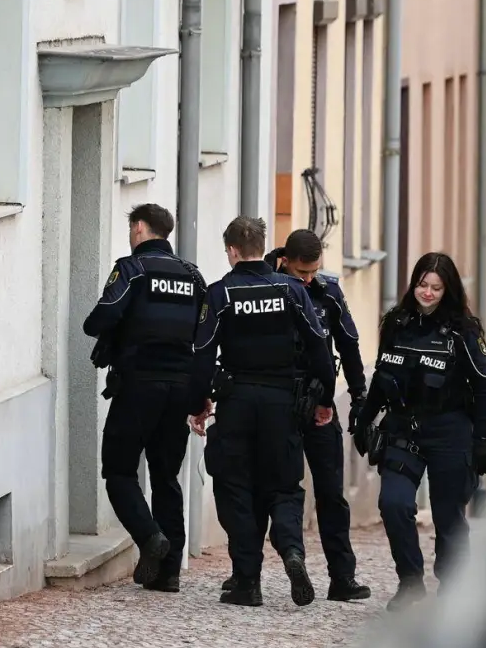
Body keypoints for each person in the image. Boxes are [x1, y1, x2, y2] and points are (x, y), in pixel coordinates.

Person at [209, 229, 370, 602]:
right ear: (284, 261)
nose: (308, 279)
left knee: (330, 492)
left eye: (314, 272)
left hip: (315, 404)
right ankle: (245, 574)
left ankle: (341, 577)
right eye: (302, 272)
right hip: (278, 400)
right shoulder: (269, 284)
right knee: (264, 487)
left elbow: (348, 344)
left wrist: (357, 396)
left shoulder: (328, 291)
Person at [189, 216, 336, 607]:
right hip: (281, 402)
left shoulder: (221, 293)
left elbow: (202, 353)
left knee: (234, 485)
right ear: (262, 246)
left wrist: (199, 402)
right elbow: (319, 346)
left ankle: (247, 581)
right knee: (284, 485)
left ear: (233, 250)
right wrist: (326, 400)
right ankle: (291, 551)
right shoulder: (290, 290)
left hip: (237, 400)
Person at [356, 251, 486, 610]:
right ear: (414, 284)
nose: (428, 293)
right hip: (403, 428)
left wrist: (481, 439)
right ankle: (410, 581)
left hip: (450, 432)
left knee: (448, 517)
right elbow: (382, 376)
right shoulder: (396, 323)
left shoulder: (463, 332)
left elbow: (483, 387)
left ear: (447, 290)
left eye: (436, 287)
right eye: (422, 284)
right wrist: (364, 418)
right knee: (393, 503)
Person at [82, 203, 206, 592]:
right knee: (167, 476)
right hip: (181, 389)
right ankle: (168, 574)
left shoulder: (132, 268)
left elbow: (101, 317)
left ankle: (150, 537)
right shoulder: (193, 276)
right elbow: (206, 338)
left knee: (119, 471)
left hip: (139, 385)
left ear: (138, 228)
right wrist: (201, 394)